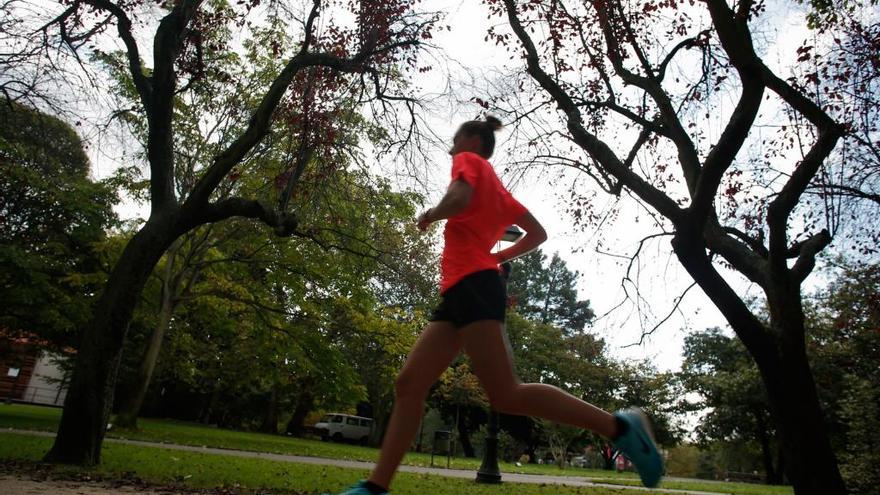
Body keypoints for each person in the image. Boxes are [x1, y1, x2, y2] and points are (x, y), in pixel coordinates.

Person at [333, 116, 664, 494]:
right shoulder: (500, 192)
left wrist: (431, 215)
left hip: (473, 285)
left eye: (454, 141)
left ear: (472, 140)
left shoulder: (470, 162)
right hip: (462, 288)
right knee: (410, 383)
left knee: (505, 393)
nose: (450, 149)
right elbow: (538, 234)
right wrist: (497, 255)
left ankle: (621, 428)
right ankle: (375, 487)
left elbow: (459, 199)